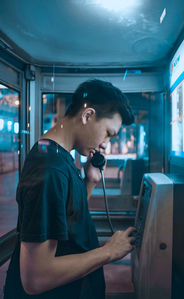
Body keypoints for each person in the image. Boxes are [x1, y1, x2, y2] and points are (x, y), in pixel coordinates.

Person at [4, 79, 136, 299]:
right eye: (107, 133)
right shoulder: (49, 170)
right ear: (87, 115)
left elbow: (64, 217)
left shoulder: (58, 156)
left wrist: (90, 181)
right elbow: (36, 277)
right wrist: (109, 252)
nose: (106, 143)